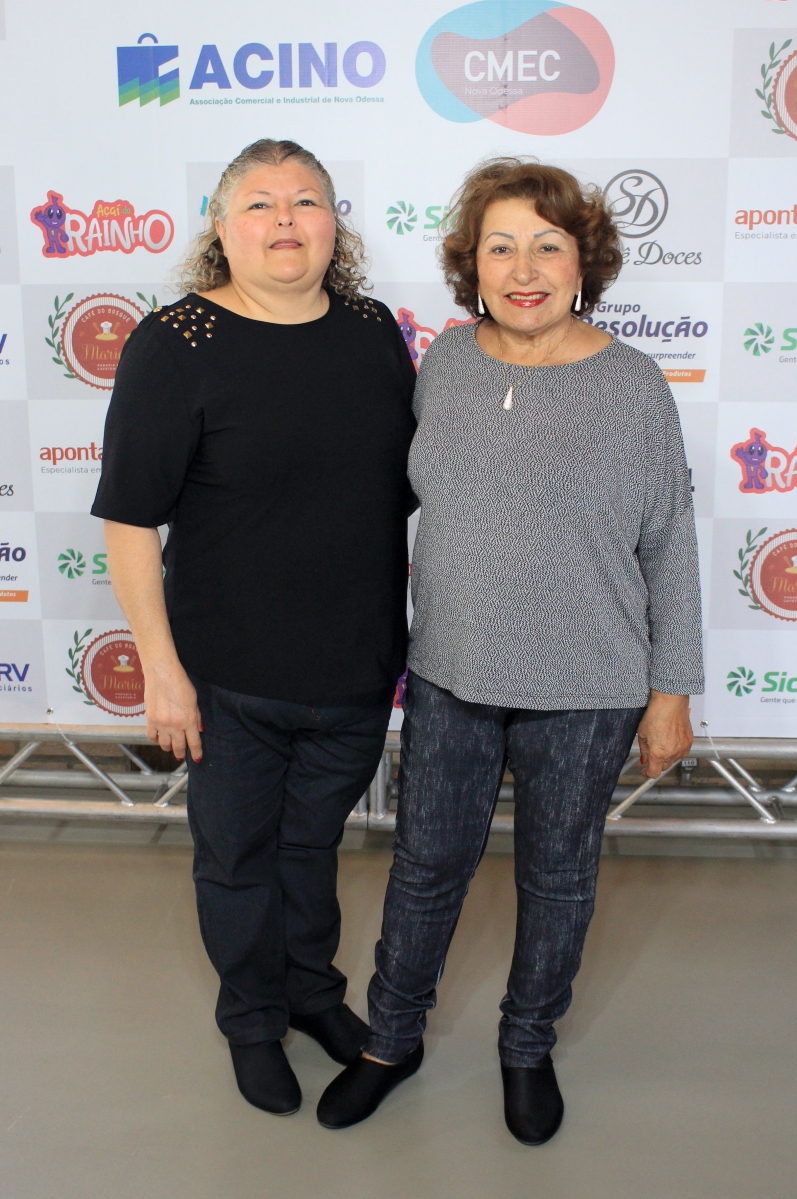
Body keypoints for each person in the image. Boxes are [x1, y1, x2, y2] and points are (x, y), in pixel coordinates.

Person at [318, 158, 704, 1143]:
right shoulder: (446, 364)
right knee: (424, 865)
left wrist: (671, 690)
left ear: (583, 261)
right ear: (472, 264)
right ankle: (389, 1040)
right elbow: (394, 493)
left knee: (557, 875)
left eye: (546, 245)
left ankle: (526, 1045)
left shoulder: (632, 384)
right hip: (450, 671)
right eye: (500, 247)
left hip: (588, 684)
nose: (522, 269)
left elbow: (669, 540)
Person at [91, 139, 416, 1116]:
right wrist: (161, 669)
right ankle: (250, 1016)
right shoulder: (175, 342)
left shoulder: (371, 331)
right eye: (261, 202)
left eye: (306, 201)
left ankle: (310, 992)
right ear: (222, 228)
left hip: (353, 668)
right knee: (237, 857)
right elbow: (129, 520)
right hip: (226, 674)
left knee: (309, 851)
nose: (285, 219)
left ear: (333, 227)